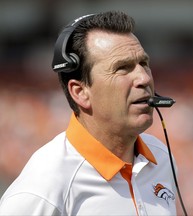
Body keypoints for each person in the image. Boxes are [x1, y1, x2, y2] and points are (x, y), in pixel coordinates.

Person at [0, 11, 177, 215]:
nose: (144, 78)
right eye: (123, 68)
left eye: (144, 64)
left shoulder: (162, 158)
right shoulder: (41, 192)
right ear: (80, 92)